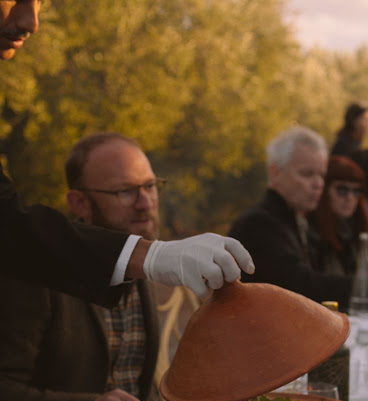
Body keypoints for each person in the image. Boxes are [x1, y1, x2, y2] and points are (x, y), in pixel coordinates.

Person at [0, 0, 254, 304]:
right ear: (78, 201)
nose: (32, 22)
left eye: (41, 3)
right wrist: (152, 256)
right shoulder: (43, 294)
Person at [0, 133, 167, 401]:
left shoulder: (142, 265)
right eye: (125, 191)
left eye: (150, 186)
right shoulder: (36, 272)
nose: (146, 204)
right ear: (79, 203)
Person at [229, 126, 368, 307]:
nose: (317, 183)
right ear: (275, 173)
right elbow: (301, 288)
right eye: (307, 174)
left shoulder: (292, 219)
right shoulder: (259, 225)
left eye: (321, 175)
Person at [313, 155, 368, 276]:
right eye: (342, 190)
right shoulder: (313, 231)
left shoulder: (356, 228)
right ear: (325, 191)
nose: (350, 198)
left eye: (356, 191)